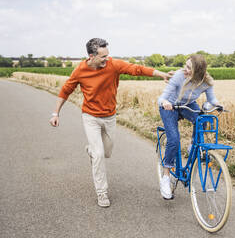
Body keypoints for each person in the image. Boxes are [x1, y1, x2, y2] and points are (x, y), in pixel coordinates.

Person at [49, 38, 172, 207]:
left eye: (108, 55)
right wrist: (56, 113)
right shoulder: (80, 71)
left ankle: (92, 150)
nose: (107, 59)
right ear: (91, 56)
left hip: (110, 117)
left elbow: (136, 69)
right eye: (102, 56)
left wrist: (161, 74)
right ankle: (102, 193)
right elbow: (65, 91)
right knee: (99, 155)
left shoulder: (113, 65)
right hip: (90, 117)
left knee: (106, 153)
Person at [157, 54, 221, 199]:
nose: (184, 69)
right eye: (185, 66)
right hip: (170, 106)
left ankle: (193, 145)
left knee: (202, 119)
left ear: (198, 71)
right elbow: (162, 97)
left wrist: (218, 105)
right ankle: (166, 176)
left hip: (187, 105)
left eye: (188, 68)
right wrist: (164, 103)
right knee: (174, 139)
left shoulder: (206, 82)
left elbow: (212, 99)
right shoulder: (179, 76)